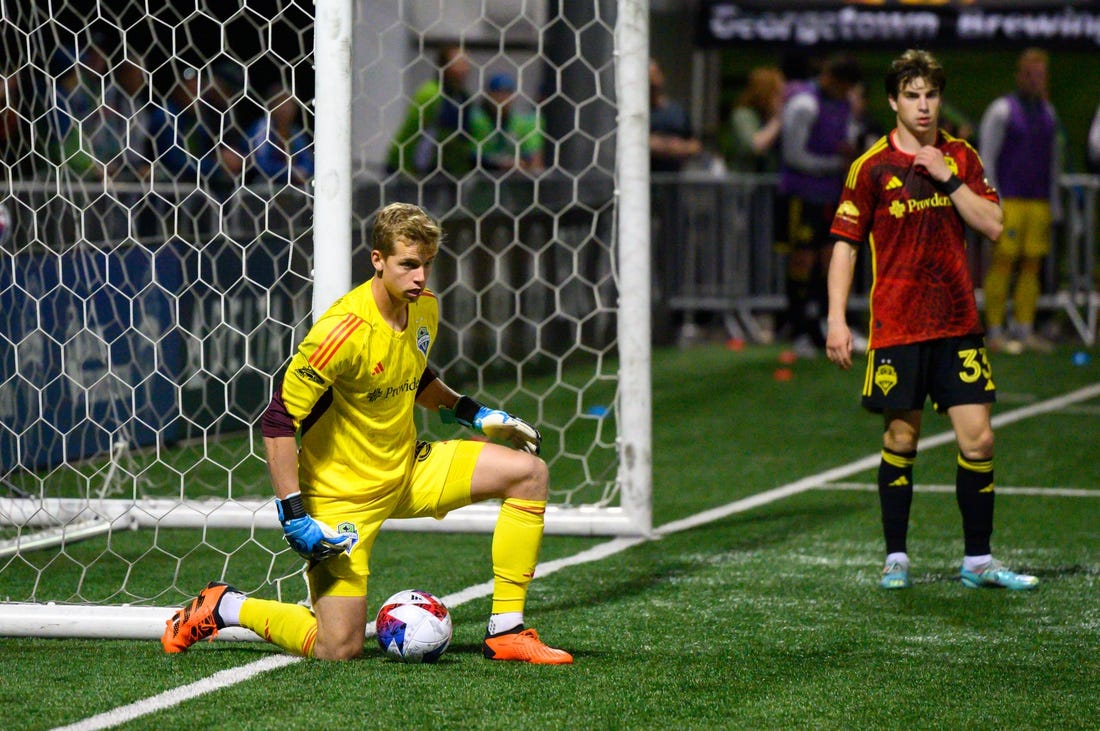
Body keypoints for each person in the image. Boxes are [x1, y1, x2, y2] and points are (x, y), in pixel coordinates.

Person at [162, 202, 573, 664]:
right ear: (377, 260)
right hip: (343, 501)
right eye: (408, 265)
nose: (420, 277)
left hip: (409, 468)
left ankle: (506, 632)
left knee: (528, 473)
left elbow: (411, 374)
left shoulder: (424, 308)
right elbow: (278, 420)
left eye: (427, 265)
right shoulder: (342, 331)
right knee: (338, 648)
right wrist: (294, 514)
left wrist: (473, 413)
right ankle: (226, 604)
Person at [825, 49, 1038, 593]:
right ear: (894, 101)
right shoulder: (869, 168)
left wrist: (948, 179)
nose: (923, 106)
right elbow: (846, 246)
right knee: (901, 438)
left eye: (931, 95)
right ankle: (896, 555)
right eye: (912, 96)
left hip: (957, 324)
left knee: (981, 441)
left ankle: (978, 561)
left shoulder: (960, 158)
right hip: (898, 326)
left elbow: (993, 225)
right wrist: (836, 319)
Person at [778, 54, 863, 357]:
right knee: (802, 261)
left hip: (830, 196)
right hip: (802, 195)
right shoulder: (804, 104)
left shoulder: (843, 104)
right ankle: (799, 329)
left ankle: (830, 327)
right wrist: (835, 163)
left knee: (831, 261)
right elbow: (793, 155)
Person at [978, 48, 1062, 354]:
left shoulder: (1048, 113)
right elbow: (986, 156)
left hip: (1037, 200)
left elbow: (1053, 161)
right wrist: (992, 198)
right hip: (1009, 199)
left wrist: (1054, 202)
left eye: (1041, 75)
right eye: (1031, 74)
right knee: (1002, 263)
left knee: (1031, 265)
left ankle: (1024, 328)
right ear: (1020, 75)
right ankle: (996, 329)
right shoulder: (1002, 110)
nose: (1036, 81)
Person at [386, 45, 484, 178]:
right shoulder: (430, 94)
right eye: (459, 63)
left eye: (466, 63)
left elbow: (463, 139)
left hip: (446, 171)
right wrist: (405, 168)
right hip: (414, 169)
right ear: (444, 65)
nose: (465, 68)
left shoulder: (464, 97)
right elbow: (413, 131)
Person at [477, 72, 544, 175]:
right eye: (497, 93)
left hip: (514, 182)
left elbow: (534, 157)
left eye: (506, 93)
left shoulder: (524, 122)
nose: (502, 98)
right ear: (488, 95)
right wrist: (501, 164)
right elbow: (471, 155)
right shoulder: (477, 120)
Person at [247, 87, 314, 185]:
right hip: (261, 183)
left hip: (291, 187)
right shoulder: (262, 129)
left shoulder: (295, 132)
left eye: (290, 102)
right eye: (281, 101)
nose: (286, 107)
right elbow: (260, 162)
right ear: (270, 105)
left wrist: (303, 171)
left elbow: (307, 160)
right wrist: (290, 172)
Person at [726, 66, 784, 173]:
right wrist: (778, 120)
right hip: (745, 184)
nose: (781, 98)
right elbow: (754, 146)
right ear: (765, 93)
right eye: (777, 94)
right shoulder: (743, 115)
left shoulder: (768, 116)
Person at [649, 57, 701, 173]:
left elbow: (695, 145)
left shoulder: (677, 112)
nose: (653, 81)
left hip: (675, 182)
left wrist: (677, 147)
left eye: (655, 74)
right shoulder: (636, 115)